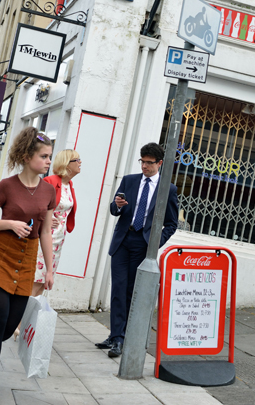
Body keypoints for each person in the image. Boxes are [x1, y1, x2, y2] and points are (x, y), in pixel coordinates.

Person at [0, 127, 56, 405]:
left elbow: (45, 231)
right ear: (26, 156)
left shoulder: (49, 191)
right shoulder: (7, 186)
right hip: (3, 256)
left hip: (27, 261)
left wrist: (49, 269)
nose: (48, 161)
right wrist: (9, 223)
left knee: (10, 328)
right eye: (44, 156)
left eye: (50, 156)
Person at [95, 142, 178, 358]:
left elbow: (171, 224)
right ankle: (116, 337)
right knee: (118, 289)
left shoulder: (167, 189)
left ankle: (123, 337)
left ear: (159, 163)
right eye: (142, 161)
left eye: (149, 163)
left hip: (143, 245)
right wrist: (117, 205)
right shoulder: (130, 180)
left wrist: (154, 243)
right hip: (123, 241)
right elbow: (114, 209)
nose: (145, 166)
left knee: (132, 291)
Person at [32, 149, 80, 296]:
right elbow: (34, 204)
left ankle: (30, 318)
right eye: (77, 160)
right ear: (67, 163)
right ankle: (21, 318)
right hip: (45, 238)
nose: (80, 163)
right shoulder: (50, 181)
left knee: (43, 285)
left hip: (58, 241)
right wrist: (44, 218)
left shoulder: (69, 184)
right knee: (35, 283)